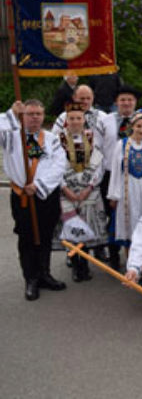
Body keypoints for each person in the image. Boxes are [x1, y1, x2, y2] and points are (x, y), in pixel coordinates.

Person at [1, 99, 68, 301]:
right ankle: (30, 279)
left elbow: (59, 166)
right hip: (22, 195)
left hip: (44, 194)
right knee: (27, 236)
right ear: (23, 116)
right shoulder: (11, 136)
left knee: (45, 235)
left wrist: (38, 185)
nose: (35, 118)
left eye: (38, 114)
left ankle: (44, 274)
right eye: (30, 114)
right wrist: (11, 113)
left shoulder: (51, 139)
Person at [58, 102, 108, 282]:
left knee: (86, 228)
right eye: (71, 118)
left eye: (78, 118)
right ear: (66, 120)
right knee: (72, 228)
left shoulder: (92, 138)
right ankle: (75, 266)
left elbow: (99, 164)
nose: (75, 121)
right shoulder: (58, 140)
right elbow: (54, 167)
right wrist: (65, 188)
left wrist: (89, 187)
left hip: (89, 192)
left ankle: (85, 266)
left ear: (84, 119)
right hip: (67, 192)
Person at [96, 84, 141, 270]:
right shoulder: (105, 121)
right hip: (109, 175)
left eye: (130, 100)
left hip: (135, 176)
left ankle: (136, 256)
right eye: (122, 100)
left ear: (135, 102)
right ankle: (113, 256)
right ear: (116, 102)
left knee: (134, 215)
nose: (126, 103)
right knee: (112, 216)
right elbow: (97, 148)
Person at [108, 112, 142, 247]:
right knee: (129, 221)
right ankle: (129, 256)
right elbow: (116, 170)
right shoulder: (122, 144)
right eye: (139, 126)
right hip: (127, 188)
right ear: (132, 126)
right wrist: (114, 194)